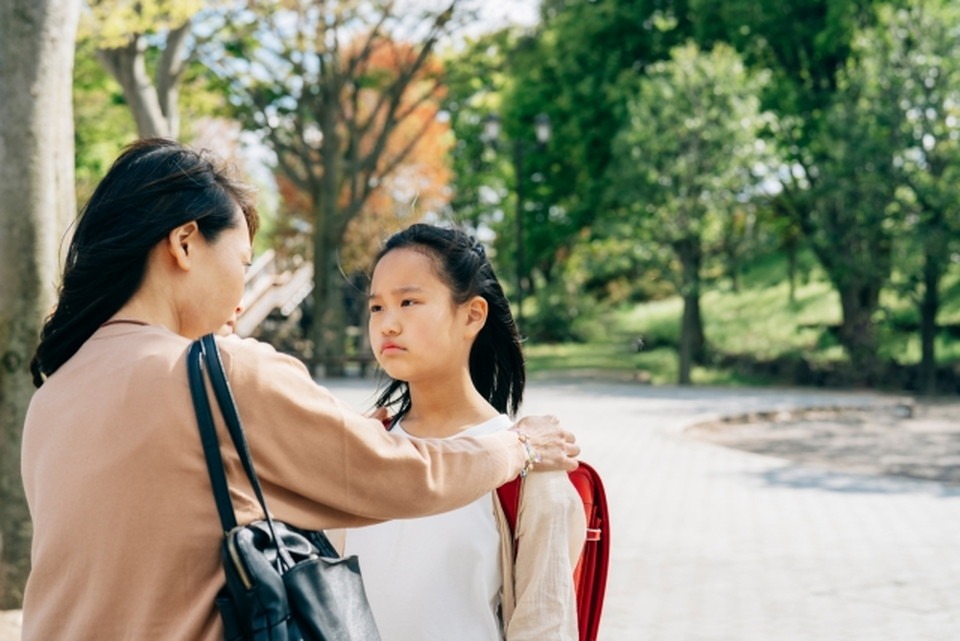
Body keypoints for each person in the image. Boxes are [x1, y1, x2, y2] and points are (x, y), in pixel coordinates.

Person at [20, 138, 579, 641]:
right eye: (241, 261)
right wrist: (520, 448)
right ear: (185, 244)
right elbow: (400, 476)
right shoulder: (222, 374)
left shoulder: (54, 396)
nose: (241, 295)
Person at [343, 224, 587, 641]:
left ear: (472, 314)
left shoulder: (533, 471)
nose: (387, 324)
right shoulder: (362, 448)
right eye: (377, 308)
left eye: (408, 301)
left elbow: (545, 626)